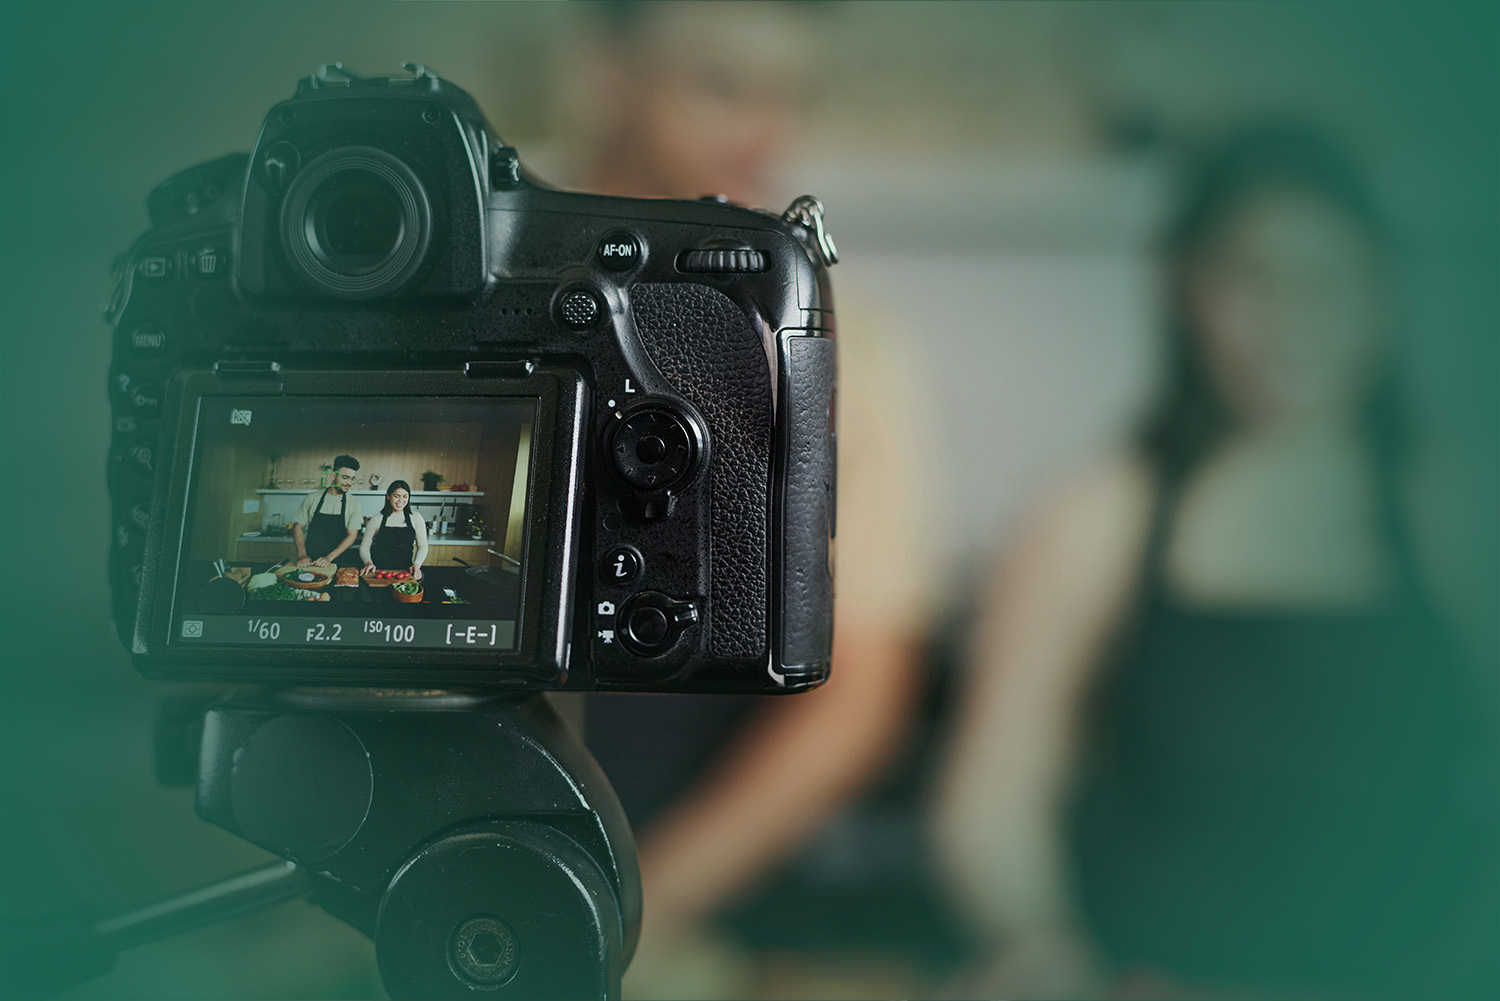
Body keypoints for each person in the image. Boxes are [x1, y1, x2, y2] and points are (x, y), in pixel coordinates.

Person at [933, 123, 1499, 999]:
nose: (1290, 319)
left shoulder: (1457, 515)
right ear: (1184, 292)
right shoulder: (1094, 515)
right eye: (1252, 280)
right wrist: (1043, 947)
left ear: (1382, 295)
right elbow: (994, 799)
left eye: (1326, 280)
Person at [549, 4, 942, 997]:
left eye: (790, 93)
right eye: (721, 83)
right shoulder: (463, 277)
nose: (763, 129)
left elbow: (858, 697)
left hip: (681, 903)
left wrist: (635, 909)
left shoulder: (851, 353)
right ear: (607, 75)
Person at [291, 455, 363, 569]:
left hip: (338, 562)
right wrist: (302, 555)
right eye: (345, 477)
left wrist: (329, 558)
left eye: (352, 478)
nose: (349, 482)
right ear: (334, 475)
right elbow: (298, 526)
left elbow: (352, 536)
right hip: (310, 561)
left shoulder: (354, 504)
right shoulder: (312, 498)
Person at [359, 480, 428, 580]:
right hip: (379, 572)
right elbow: (364, 547)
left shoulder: (416, 518)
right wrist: (368, 563)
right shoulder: (377, 519)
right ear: (388, 496)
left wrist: (417, 565)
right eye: (396, 496)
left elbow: (423, 546)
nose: (401, 500)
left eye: (405, 496)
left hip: (405, 572)